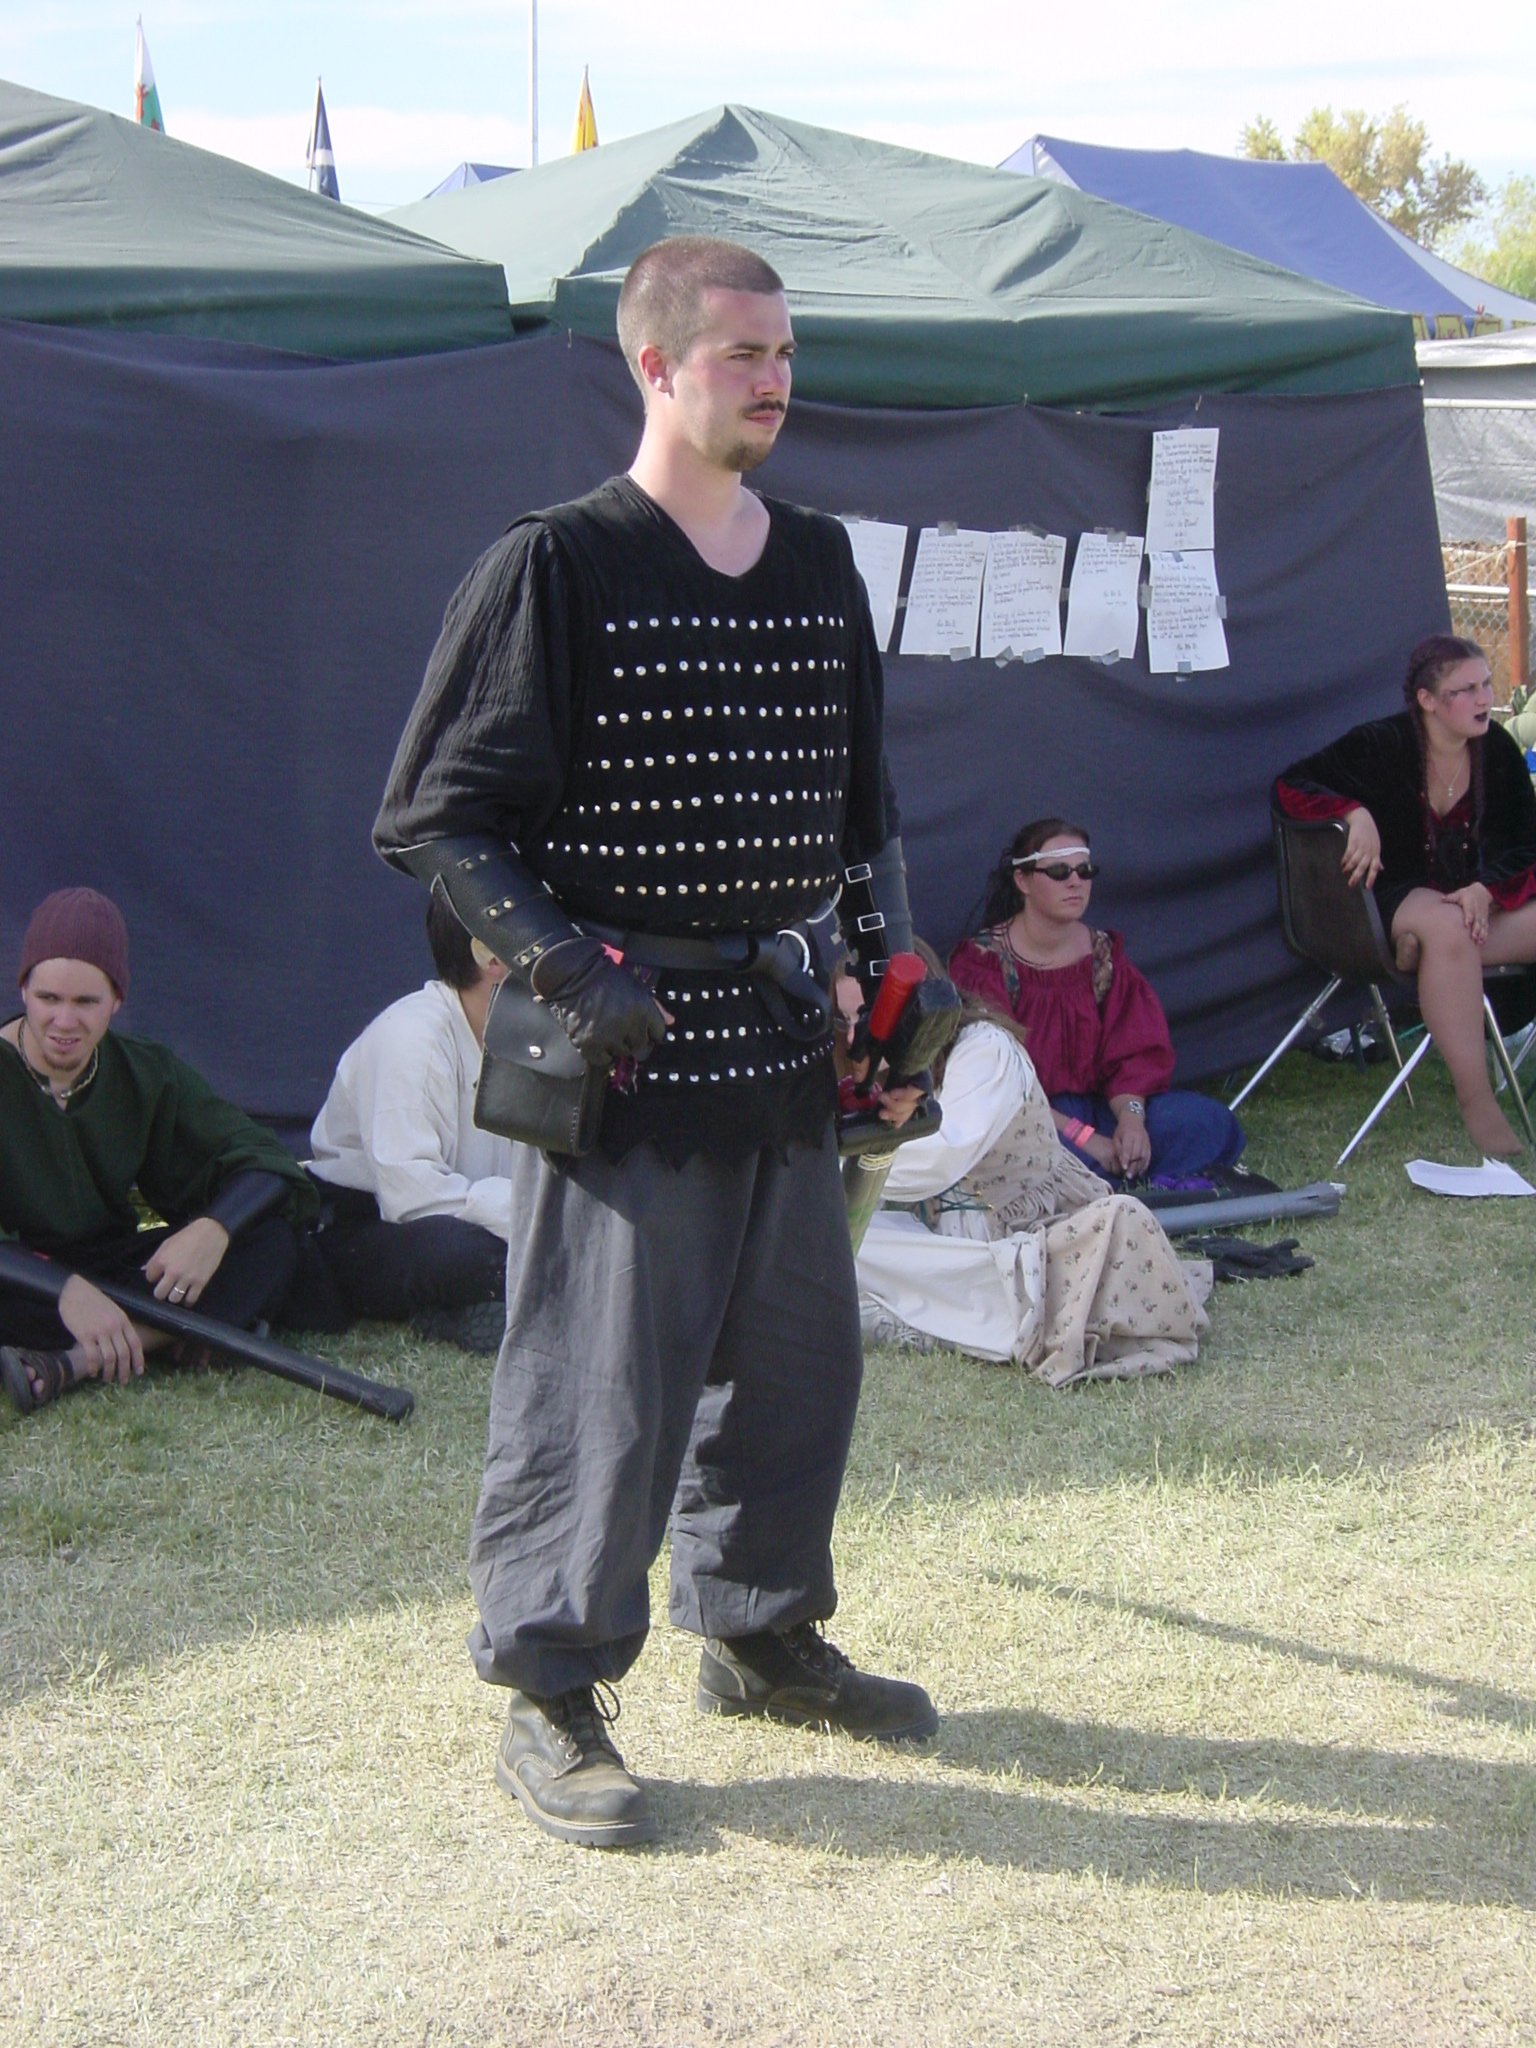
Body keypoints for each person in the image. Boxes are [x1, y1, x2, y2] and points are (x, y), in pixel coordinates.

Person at [373, 235, 939, 1851]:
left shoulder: (818, 562)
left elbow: (861, 816)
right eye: (741, 352)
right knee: (600, 1380)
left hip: (780, 1033)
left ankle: (759, 1627)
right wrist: (566, 965)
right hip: (621, 1051)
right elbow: (435, 818)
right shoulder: (556, 566)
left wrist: (889, 977)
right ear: (655, 363)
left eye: (784, 352)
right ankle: (549, 1685)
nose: (774, 379)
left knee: (800, 1363)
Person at [1, 888, 314, 1415]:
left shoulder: (144, 1071)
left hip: (116, 1267)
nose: (64, 1021)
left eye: (86, 1002)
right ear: (23, 990)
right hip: (19, 1275)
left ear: (117, 1001)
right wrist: (65, 1290)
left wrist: (213, 1229)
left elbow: (266, 1162)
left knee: (267, 1242)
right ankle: (178, 1334)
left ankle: (73, 1362)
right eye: (49, 998)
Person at [857, 954, 1210, 1387]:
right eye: (844, 1020)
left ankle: (932, 1320)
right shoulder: (877, 1071)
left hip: (1030, 1234)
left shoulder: (986, 1048)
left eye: (864, 1018)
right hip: (950, 1240)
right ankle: (923, 1312)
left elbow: (941, 1157)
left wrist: (829, 1167)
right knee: (836, 1239)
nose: (856, 1034)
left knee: (1116, 1221)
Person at [1275, 634, 1536, 1157]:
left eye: (1487, 684)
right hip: (1395, 899)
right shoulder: (1381, 744)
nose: (1485, 699)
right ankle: (1477, 1100)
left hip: (1474, 906)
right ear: (1428, 700)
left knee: (1453, 934)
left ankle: (1430, 954)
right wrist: (1353, 813)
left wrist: (1487, 890)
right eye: (1467, 690)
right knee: (1446, 927)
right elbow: (1292, 785)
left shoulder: (1498, 751)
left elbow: (1528, 843)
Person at [948, 818, 1245, 1185]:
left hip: (1101, 1110)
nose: (1075, 882)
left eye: (1085, 871)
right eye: (1059, 872)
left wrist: (1131, 1122)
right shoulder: (983, 962)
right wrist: (1087, 1140)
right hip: (1028, 1120)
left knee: (1203, 1121)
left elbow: (1134, 1052)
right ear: (1023, 881)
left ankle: (1119, 1167)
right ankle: (1104, 1172)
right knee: (1027, 1152)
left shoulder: (1102, 955)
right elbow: (997, 1084)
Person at [303, 892, 514, 1352]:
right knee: (463, 1254)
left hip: (480, 1219)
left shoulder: (528, 1038)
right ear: (491, 957)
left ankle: (480, 1305)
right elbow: (413, 1200)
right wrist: (530, 1218)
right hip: (368, 1229)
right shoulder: (412, 1036)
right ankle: (460, 1307)